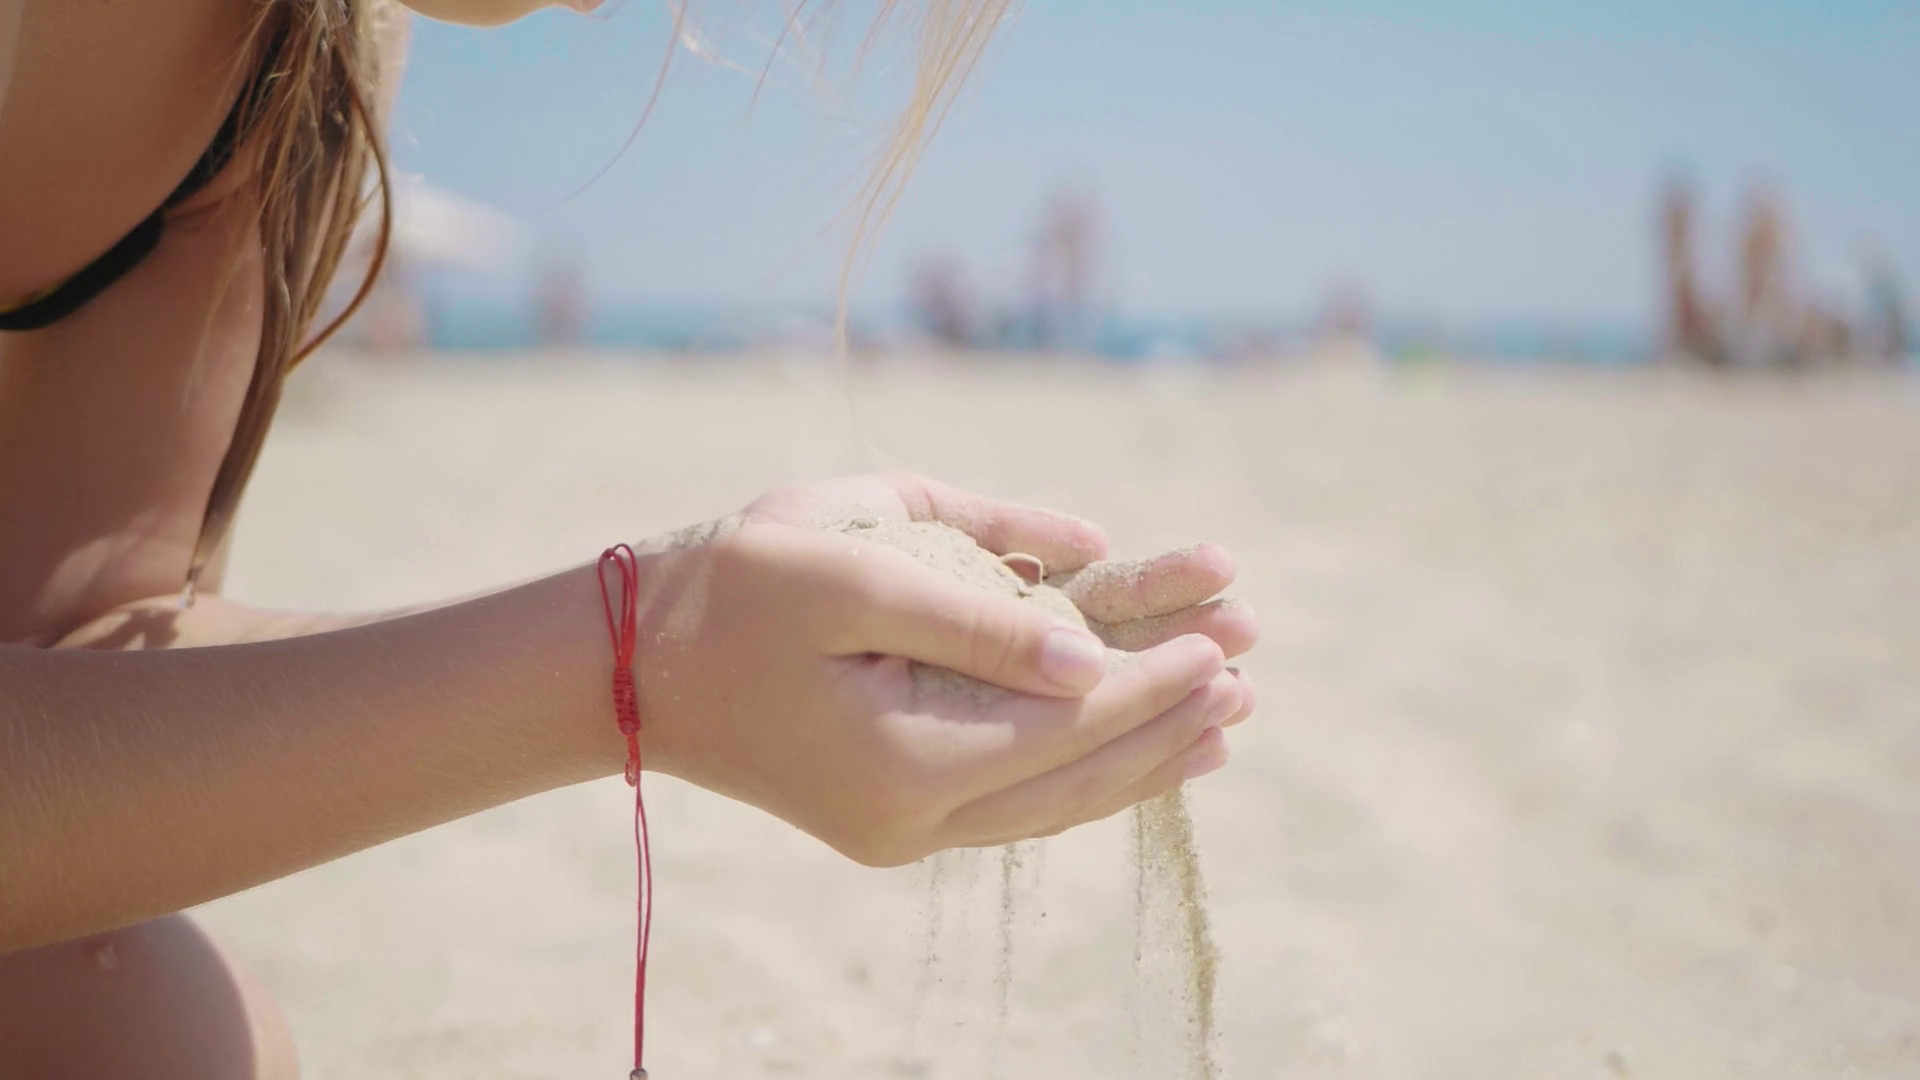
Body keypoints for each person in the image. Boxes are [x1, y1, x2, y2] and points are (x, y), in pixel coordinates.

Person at [0, 1, 1260, 1076]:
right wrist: (623, 668)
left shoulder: (300, 45)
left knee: (155, 1032)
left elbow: (78, 642)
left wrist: (672, 631)